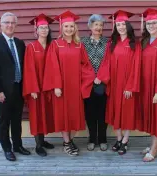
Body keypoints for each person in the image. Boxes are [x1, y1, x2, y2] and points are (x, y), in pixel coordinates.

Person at [42, 10, 95, 156]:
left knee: (74, 116)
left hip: (76, 87)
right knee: (63, 115)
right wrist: (57, 86)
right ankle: (66, 142)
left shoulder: (79, 45)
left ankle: (70, 141)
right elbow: (53, 66)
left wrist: (84, 84)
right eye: (66, 26)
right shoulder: (56, 45)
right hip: (62, 88)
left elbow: (86, 66)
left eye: (71, 26)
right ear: (61, 28)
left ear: (75, 28)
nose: (69, 29)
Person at [0, 12, 30, 161]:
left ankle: (18, 145)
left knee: (17, 119)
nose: (10, 25)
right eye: (7, 22)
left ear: (16, 25)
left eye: (12, 23)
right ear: (1, 24)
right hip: (2, 91)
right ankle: (7, 148)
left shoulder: (19, 43)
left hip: (18, 88)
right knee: (4, 120)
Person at [96, 10, 141, 155]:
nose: (121, 27)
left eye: (123, 24)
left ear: (128, 26)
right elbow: (106, 62)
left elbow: (136, 66)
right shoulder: (112, 43)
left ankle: (125, 141)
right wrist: (101, 77)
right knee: (115, 112)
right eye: (118, 24)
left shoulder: (135, 44)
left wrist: (130, 86)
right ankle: (119, 139)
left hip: (127, 85)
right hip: (114, 85)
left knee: (126, 113)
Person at [136, 8, 157, 162]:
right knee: (150, 117)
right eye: (148, 23)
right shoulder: (144, 42)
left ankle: (155, 149)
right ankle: (153, 145)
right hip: (145, 87)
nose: (151, 25)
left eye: (154, 23)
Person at [23, 14, 55, 157]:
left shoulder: (52, 46)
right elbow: (28, 69)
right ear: (36, 30)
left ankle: (43, 140)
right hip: (36, 89)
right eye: (41, 28)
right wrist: (33, 89)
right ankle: (38, 144)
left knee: (46, 114)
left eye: (46, 27)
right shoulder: (31, 47)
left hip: (49, 88)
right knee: (36, 116)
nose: (44, 30)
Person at [81, 14, 109, 151]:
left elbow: (110, 63)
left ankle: (103, 139)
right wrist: (92, 77)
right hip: (87, 83)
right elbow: (80, 63)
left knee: (103, 112)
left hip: (104, 83)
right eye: (96, 25)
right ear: (90, 26)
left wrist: (101, 77)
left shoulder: (108, 43)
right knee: (90, 113)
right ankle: (92, 138)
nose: (98, 27)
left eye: (101, 25)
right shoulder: (82, 42)